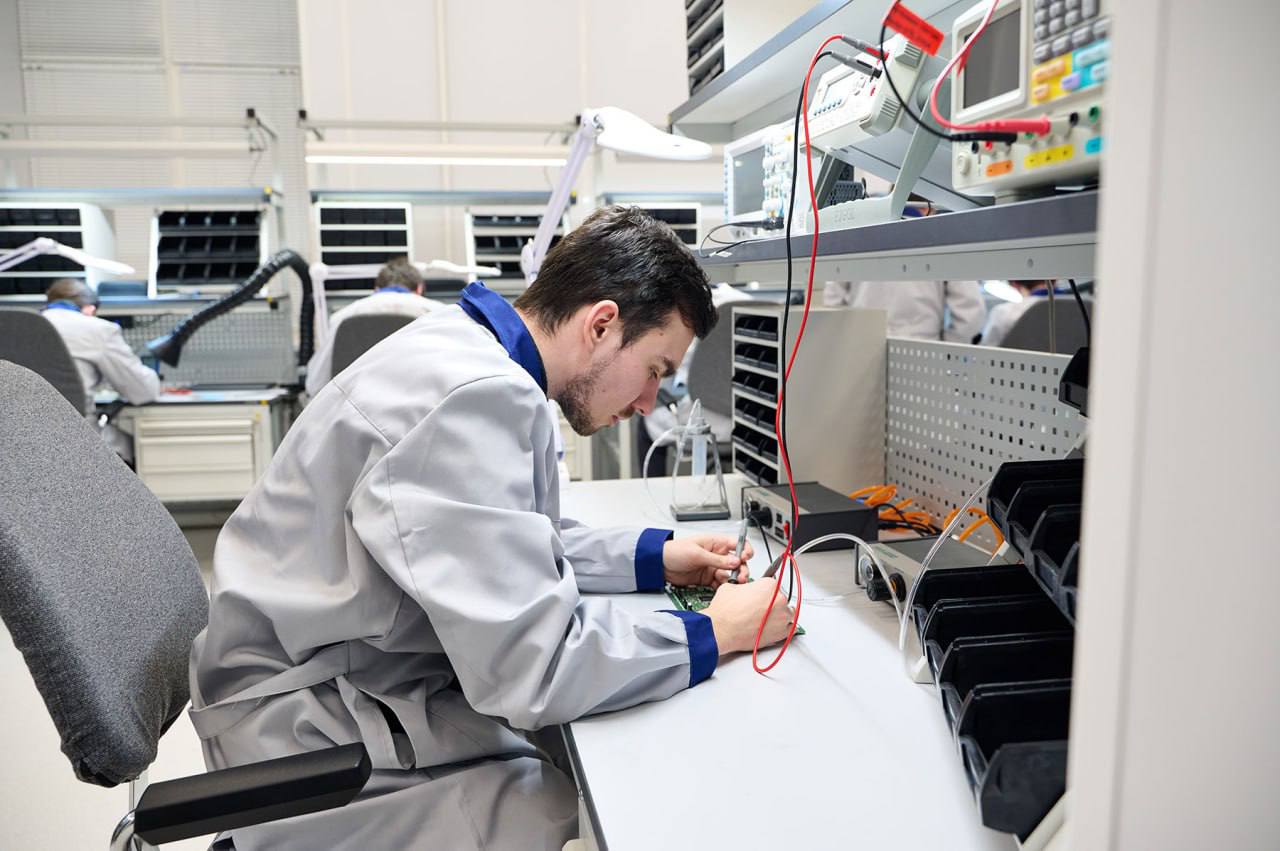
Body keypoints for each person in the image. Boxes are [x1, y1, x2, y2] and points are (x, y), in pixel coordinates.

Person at [190, 206, 794, 849]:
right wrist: (714, 631)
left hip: (336, 676)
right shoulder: (476, 395)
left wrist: (652, 555)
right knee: (593, 815)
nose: (649, 403)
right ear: (602, 324)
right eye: (655, 370)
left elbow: (502, 539)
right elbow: (535, 670)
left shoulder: (465, 349)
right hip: (311, 734)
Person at [40, 278, 160, 459]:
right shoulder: (97, 328)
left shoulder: (21, 327)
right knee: (139, 450)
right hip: (78, 441)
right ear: (90, 309)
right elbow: (143, 391)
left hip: (19, 443)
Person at [304, 257, 446, 395]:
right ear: (419, 288)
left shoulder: (343, 315)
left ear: (376, 289)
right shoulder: (439, 313)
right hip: (422, 405)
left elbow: (315, 384)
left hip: (357, 406)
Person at [822, 279, 987, 342]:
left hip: (863, 348)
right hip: (923, 354)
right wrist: (947, 351)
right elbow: (970, 313)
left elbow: (832, 300)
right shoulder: (942, 233)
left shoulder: (858, 231)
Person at [979, 279, 1074, 347]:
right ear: (1055, 279)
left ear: (1014, 284)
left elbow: (987, 350)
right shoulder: (1079, 306)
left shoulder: (1004, 312)